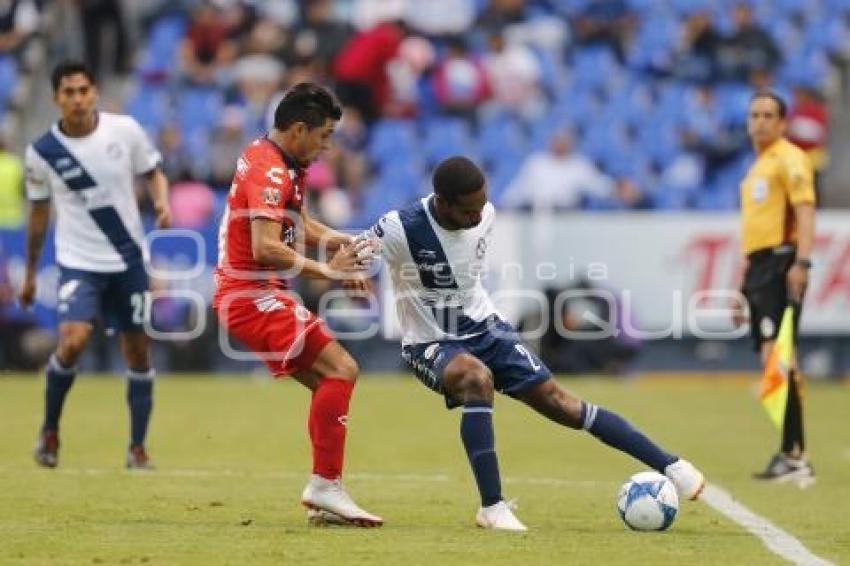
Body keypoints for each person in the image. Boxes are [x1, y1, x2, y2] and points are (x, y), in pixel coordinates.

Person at [355, 156, 704, 530]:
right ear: (442, 202)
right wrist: (352, 272)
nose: (478, 215)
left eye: (481, 205)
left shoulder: (485, 214)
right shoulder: (399, 227)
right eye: (468, 210)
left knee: (562, 403)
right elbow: (354, 252)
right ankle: (492, 507)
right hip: (429, 342)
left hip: (487, 329)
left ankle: (670, 464)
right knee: (476, 379)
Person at [213, 82, 383, 527]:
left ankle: (325, 493)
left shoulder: (283, 160)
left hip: (256, 292)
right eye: (325, 136)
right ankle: (325, 487)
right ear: (300, 129)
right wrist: (332, 272)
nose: (328, 146)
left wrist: (345, 242)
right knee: (342, 369)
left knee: (331, 381)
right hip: (252, 294)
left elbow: (298, 223)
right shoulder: (270, 171)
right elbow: (267, 246)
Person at [20, 60, 171, 469]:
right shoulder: (42, 153)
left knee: (138, 352)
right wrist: (32, 274)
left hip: (128, 261)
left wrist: (160, 201)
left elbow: (153, 171)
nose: (77, 99)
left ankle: (137, 449)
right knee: (72, 341)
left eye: (83, 90)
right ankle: (50, 432)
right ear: (55, 99)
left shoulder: (125, 131)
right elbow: (37, 216)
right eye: (68, 92)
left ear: (95, 93)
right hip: (78, 262)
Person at [733, 91, 816, 484]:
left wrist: (801, 261)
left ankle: (795, 455)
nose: (761, 121)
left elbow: (805, 208)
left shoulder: (788, 157)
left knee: (781, 356)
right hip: (760, 268)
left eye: (769, 115)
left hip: (782, 262)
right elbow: (754, 231)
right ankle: (791, 452)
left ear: (782, 123)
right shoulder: (757, 168)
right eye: (755, 115)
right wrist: (743, 283)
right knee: (773, 356)